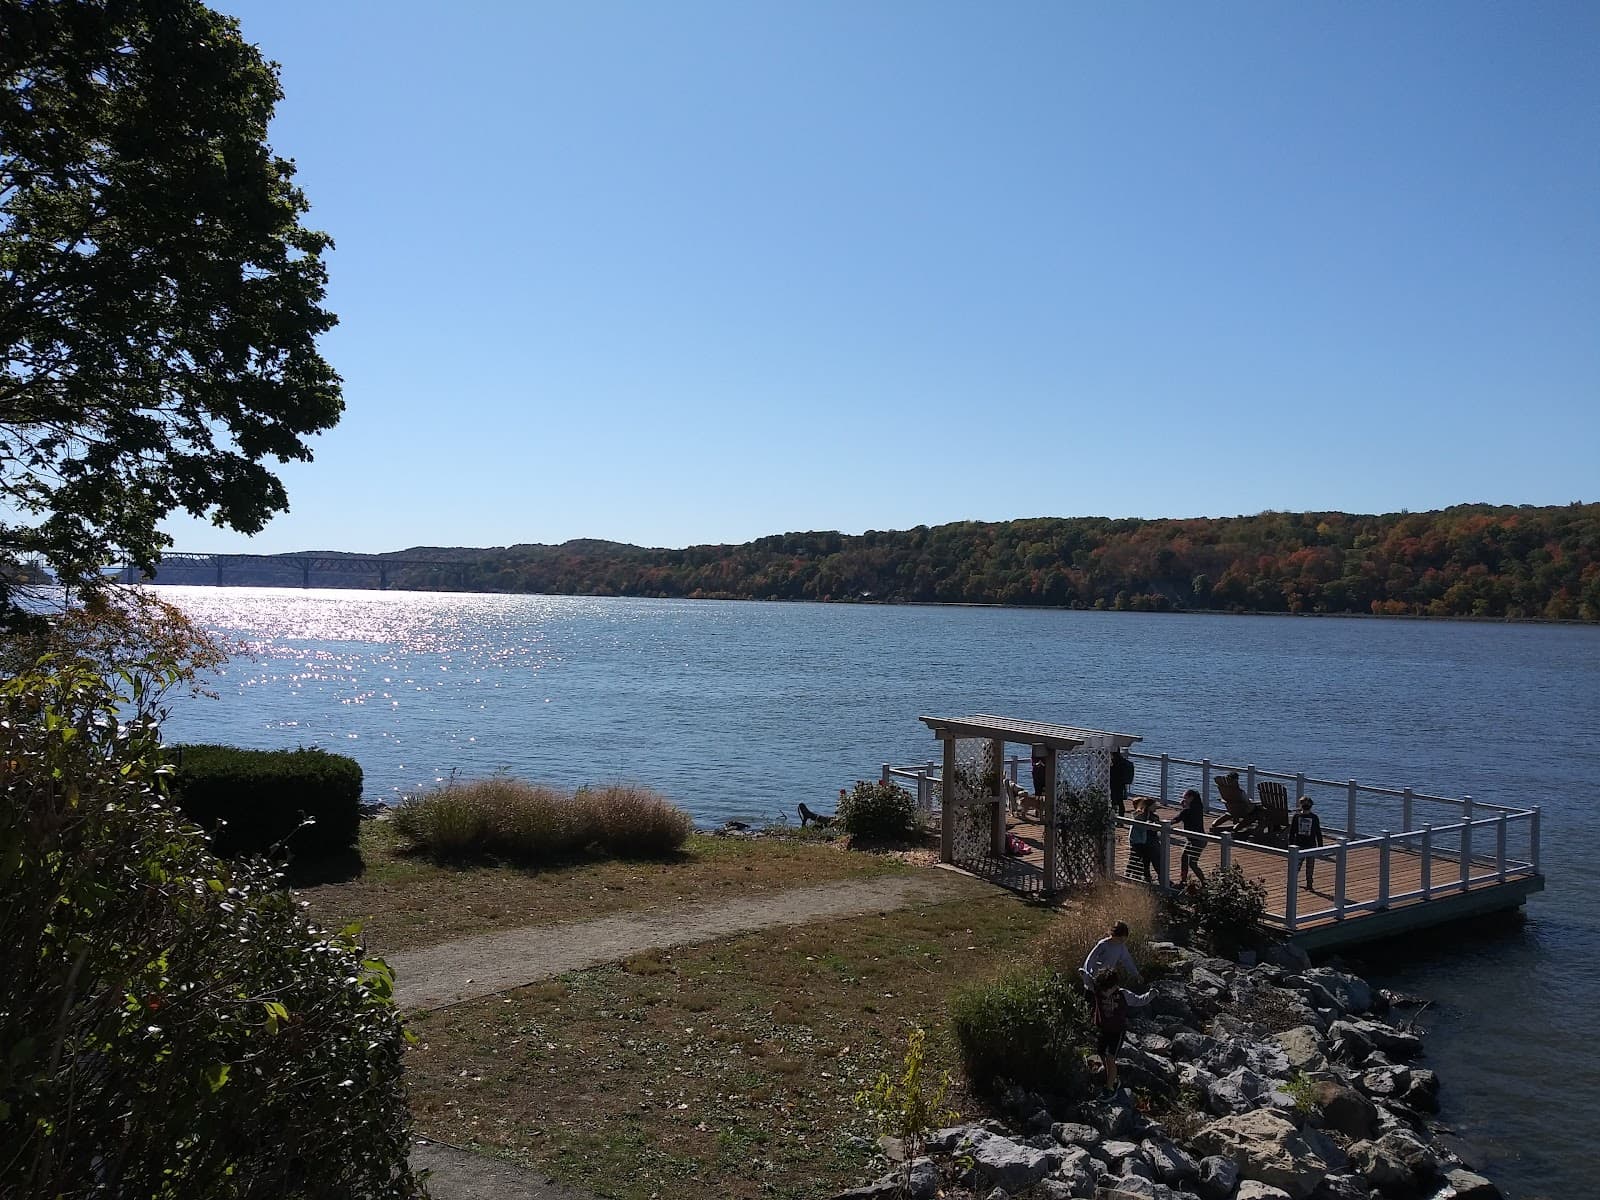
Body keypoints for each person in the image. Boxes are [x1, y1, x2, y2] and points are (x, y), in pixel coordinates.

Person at [1090, 967, 1153, 1097]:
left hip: (1117, 1032)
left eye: (1108, 989)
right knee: (1101, 1054)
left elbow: (1139, 1000)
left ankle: (1110, 1088)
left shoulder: (1123, 994)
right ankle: (1111, 1076)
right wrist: (1082, 972)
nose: (1105, 992)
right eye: (1103, 989)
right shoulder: (1098, 990)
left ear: (1115, 986)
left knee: (1111, 1057)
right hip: (1103, 1029)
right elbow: (1087, 979)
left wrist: (1150, 995)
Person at [1080, 921, 1142, 992]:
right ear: (1115, 935)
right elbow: (1091, 958)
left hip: (1108, 978)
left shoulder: (1121, 947)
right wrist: (1087, 974)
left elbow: (1127, 961)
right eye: (1121, 939)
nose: (1123, 941)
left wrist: (1136, 974)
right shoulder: (1103, 944)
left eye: (1124, 939)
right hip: (1096, 977)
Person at [1291, 794, 1324, 891]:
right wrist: (1320, 846)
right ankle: (1308, 884)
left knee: (1298, 866)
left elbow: (1292, 832)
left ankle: (1301, 883)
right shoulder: (1314, 817)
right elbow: (1318, 833)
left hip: (1301, 845)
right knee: (1307, 867)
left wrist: (1290, 844)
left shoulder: (1297, 816)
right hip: (1307, 845)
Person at [1177, 787, 1208, 885]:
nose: (1183, 799)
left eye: (1185, 798)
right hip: (1192, 839)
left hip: (1198, 841)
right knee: (1184, 858)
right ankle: (1183, 880)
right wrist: (1185, 807)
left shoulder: (1188, 810)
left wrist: (1163, 824)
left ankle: (1204, 882)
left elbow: (1177, 819)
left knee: (1192, 863)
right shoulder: (1198, 807)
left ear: (1191, 798)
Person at [1110, 749, 1135, 816]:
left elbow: (1112, 772)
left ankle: (1114, 816)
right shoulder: (1122, 761)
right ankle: (1120, 817)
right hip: (1121, 783)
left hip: (1114, 783)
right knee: (1120, 801)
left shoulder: (1114, 762)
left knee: (1114, 800)